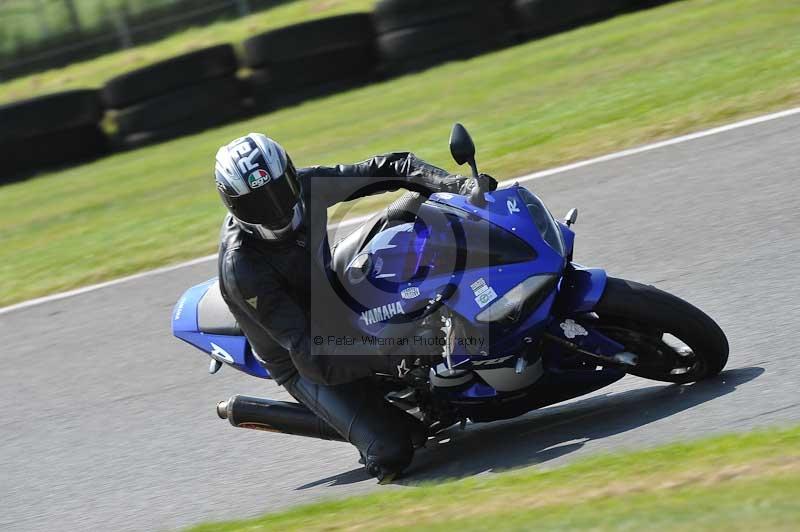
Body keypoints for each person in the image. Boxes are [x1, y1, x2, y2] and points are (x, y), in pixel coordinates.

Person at [214, 133, 496, 481]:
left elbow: (392, 167)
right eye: (258, 204)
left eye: (280, 191)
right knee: (394, 450)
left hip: (331, 289)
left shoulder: (306, 185)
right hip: (301, 356)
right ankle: (346, 423)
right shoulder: (242, 268)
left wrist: (458, 185)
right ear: (234, 206)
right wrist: (397, 351)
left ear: (290, 174)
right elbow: (311, 356)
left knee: (408, 218)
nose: (276, 209)